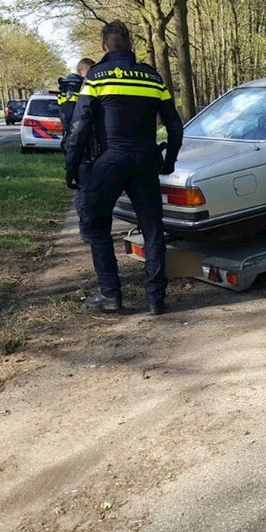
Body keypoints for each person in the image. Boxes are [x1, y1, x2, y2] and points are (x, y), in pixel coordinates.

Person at [64, 20, 183, 315]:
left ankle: (111, 295)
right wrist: (169, 160)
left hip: (110, 160)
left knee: (95, 224)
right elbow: (175, 126)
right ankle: (156, 299)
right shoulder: (153, 78)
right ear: (131, 46)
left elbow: (79, 127)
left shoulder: (95, 76)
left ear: (104, 46)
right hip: (145, 160)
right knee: (153, 229)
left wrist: (72, 166)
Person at [57, 57, 96, 237]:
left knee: (91, 189)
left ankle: (91, 225)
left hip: (89, 146)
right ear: (82, 71)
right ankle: (86, 228)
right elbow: (72, 121)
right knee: (85, 189)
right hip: (81, 147)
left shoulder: (77, 88)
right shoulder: (73, 88)